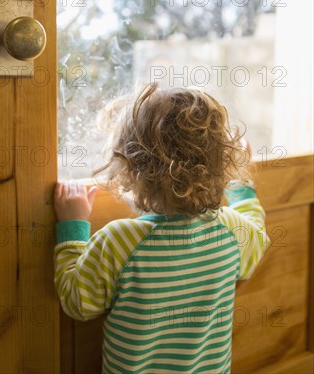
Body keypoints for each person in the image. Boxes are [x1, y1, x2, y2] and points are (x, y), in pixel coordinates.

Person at [53, 83, 271, 373]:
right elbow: (258, 233)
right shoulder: (230, 232)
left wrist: (73, 226)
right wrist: (242, 187)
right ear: (223, 161)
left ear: (128, 167)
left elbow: (78, 301)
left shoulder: (120, 241)